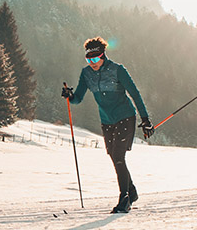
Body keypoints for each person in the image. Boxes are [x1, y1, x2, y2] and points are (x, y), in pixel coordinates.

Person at [62, 36, 153, 214]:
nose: (92, 63)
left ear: (103, 55)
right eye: (89, 59)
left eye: (95, 59)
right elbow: (78, 98)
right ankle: (132, 191)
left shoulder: (118, 70)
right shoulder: (86, 74)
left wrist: (145, 119)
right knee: (113, 156)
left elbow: (135, 93)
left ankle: (125, 199)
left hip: (125, 116)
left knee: (119, 156)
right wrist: (69, 96)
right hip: (107, 121)